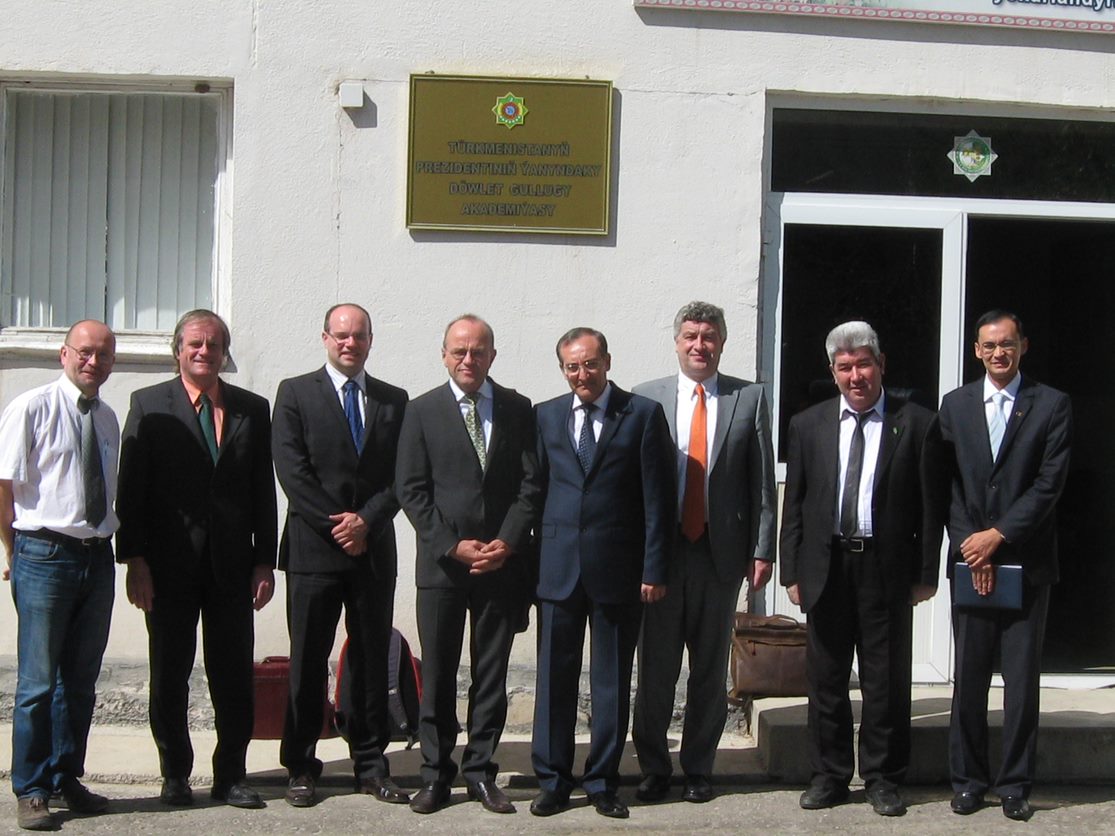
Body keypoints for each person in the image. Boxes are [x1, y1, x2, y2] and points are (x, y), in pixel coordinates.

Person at [779, 321, 941, 818]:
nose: (856, 376)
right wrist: (791, 570)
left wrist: (926, 573)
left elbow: (930, 507)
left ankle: (883, 777)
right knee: (826, 679)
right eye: (845, 367)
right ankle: (828, 776)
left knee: (885, 679)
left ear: (881, 365)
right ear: (832, 372)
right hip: (826, 566)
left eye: (864, 365)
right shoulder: (808, 425)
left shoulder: (917, 424)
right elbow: (796, 503)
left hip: (885, 569)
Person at [117, 309, 277, 810]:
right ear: (178, 350)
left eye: (214, 344)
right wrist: (135, 560)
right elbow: (131, 488)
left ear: (224, 352)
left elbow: (262, 489)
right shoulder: (149, 404)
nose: (204, 351)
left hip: (232, 567)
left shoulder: (252, 408)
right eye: (195, 344)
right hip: (168, 568)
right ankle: (175, 774)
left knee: (232, 675)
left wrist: (264, 561)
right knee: (170, 673)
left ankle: (231, 775)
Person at [396, 314, 542, 815]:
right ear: (444, 355)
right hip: (443, 568)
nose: (468, 359)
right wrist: (451, 545)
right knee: (437, 675)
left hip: (500, 566)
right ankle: (435, 774)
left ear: (492, 356)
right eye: (459, 351)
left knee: (491, 674)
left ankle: (480, 771)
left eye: (478, 351)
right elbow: (411, 490)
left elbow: (530, 485)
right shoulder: (421, 411)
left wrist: (507, 542)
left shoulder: (518, 408)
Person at [632, 301, 776, 804]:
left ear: (722, 342)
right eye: (690, 336)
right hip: (662, 556)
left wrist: (762, 549)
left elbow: (762, 482)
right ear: (676, 342)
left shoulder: (748, 398)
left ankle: (698, 768)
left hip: (720, 554)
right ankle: (653, 767)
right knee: (656, 669)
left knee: (710, 670)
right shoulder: (646, 398)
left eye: (709, 336)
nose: (700, 345)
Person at [530, 327, 675, 820]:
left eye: (590, 364)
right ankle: (552, 780)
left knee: (611, 681)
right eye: (572, 366)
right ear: (562, 369)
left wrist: (654, 567)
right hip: (558, 569)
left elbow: (658, 498)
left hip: (619, 570)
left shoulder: (642, 414)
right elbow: (535, 492)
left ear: (607, 362)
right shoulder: (546, 415)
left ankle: (602, 781)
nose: (582, 374)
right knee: (554, 680)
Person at [934, 310, 1071, 822]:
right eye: (989, 345)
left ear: (1023, 346)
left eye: (1007, 344)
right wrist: (971, 544)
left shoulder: (1051, 404)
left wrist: (998, 536)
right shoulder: (956, 406)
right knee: (969, 679)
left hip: (1026, 564)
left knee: (1021, 680)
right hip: (970, 557)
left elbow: (1049, 484)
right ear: (976, 350)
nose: (998, 353)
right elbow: (946, 483)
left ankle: (1015, 784)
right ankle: (968, 781)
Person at [272, 303, 410, 808]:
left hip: (372, 551)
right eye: (341, 335)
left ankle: (370, 764)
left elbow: (403, 474)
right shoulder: (295, 393)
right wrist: (340, 526)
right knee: (308, 661)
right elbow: (292, 472)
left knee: (371, 660)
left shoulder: (394, 400)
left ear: (371, 340)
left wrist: (366, 522)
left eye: (359, 336)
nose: (350, 343)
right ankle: (301, 764)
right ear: (325, 338)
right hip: (314, 549)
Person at [0, 321, 119, 831]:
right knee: (37, 681)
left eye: (104, 355)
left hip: (97, 556)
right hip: (45, 554)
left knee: (81, 680)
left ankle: (66, 775)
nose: (94, 362)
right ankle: (31, 788)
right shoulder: (32, 407)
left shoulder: (108, 417)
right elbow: (4, 485)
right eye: (85, 352)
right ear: (64, 354)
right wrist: (14, 550)